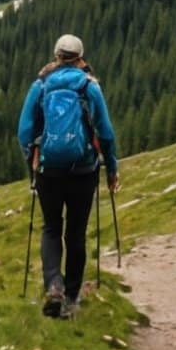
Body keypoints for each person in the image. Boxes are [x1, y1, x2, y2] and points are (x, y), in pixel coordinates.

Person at [17, 33, 119, 320]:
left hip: (48, 170)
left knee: (51, 227)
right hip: (83, 170)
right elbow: (106, 133)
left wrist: (32, 160)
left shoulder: (40, 86)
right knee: (75, 232)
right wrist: (111, 168)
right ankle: (72, 299)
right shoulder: (90, 87)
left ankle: (53, 285)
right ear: (80, 58)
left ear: (56, 55)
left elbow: (24, 132)